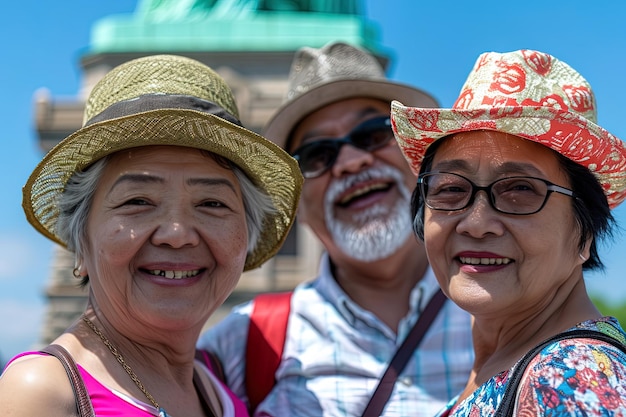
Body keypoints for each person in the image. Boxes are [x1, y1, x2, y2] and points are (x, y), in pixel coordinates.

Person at [0, 54, 302, 417]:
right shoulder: (43, 392)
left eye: (212, 203)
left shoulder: (219, 394)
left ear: (246, 235)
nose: (177, 234)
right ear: (81, 242)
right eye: (138, 201)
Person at [198, 41, 474, 416]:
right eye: (317, 155)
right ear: (296, 201)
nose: (351, 162)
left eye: (373, 134)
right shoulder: (244, 342)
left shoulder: (507, 313)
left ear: (419, 159)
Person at [391, 49, 626, 416]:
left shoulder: (568, 380)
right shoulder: (514, 370)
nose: (476, 222)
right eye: (451, 189)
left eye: (520, 190)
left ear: (585, 232)